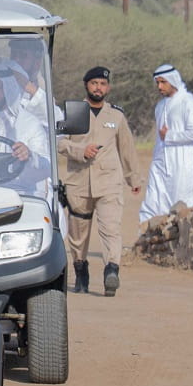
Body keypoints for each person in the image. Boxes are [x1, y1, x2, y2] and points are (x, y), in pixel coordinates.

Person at [57, 67, 143, 296]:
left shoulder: (116, 115)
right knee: (78, 235)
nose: (98, 88)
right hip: (79, 183)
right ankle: (81, 271)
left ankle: (111, 270)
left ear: (108, 88)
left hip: (109, 183)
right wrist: (80, 150)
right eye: (94, 83)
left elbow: (126, 148)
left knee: (111, 228)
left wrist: (133, 178)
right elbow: (60, 143)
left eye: (103, 84)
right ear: (86, 85)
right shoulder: (73, 112)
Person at [138, 64, 193, 223]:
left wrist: (170, 136)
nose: (159, 87)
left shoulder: (188, 102)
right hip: (161, 162)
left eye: (163, 82)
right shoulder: (160, 106)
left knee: (181, 207)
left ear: (173, 81)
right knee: (153, 201)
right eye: (157, 83)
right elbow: (159, 137)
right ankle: (148, 236)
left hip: (183, 164)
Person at [0, 58, 53, 201]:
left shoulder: (28, 123)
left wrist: (30, 156)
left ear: (8, 88)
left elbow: (46, 167)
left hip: (20, 195)